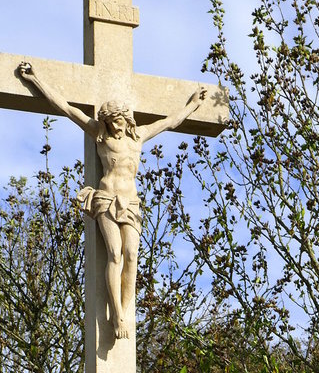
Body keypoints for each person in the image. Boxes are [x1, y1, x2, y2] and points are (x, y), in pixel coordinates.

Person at [17, 61, 206, 340]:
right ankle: (116, 313)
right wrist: (36, 80)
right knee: (115, 254)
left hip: (131, 203)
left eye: (117, 121)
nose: (114, 126)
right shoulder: (100, 134)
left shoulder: (138, 136)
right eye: (110, 122)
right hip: (106, 199)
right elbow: (68, 109)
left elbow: (169, 122)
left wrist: (192, 105)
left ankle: (125, 311)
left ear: (126, 119)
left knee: (132, 255)